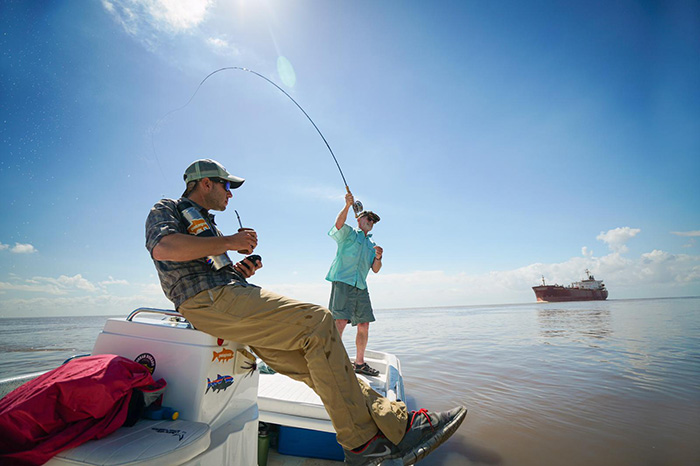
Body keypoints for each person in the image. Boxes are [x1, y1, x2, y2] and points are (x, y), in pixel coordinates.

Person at [145, 158, 467, 465]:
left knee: (320, 365)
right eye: (226, 187)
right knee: (320, 323)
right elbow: (164, 247)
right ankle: (362, 444)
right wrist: (230, 241)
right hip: (208, 302)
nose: (230, 193)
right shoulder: (168, 209)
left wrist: (242, 267)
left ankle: (396, 426)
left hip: (228, 298)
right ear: (205, 184)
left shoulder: (209, 227)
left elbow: (209, 268)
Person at [327, 192, 383, 377]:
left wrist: (379, 257)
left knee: (364, 324)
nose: (371, 222)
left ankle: (359, 363)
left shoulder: (372, 243)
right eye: (369, 218)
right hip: (343, 282)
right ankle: (331, 361)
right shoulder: (349, 233)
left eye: (374, 221)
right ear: (359, 219)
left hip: (361, 286)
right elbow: (338, 225)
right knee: (340, 321)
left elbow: (375, 269)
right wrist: (346, 205)